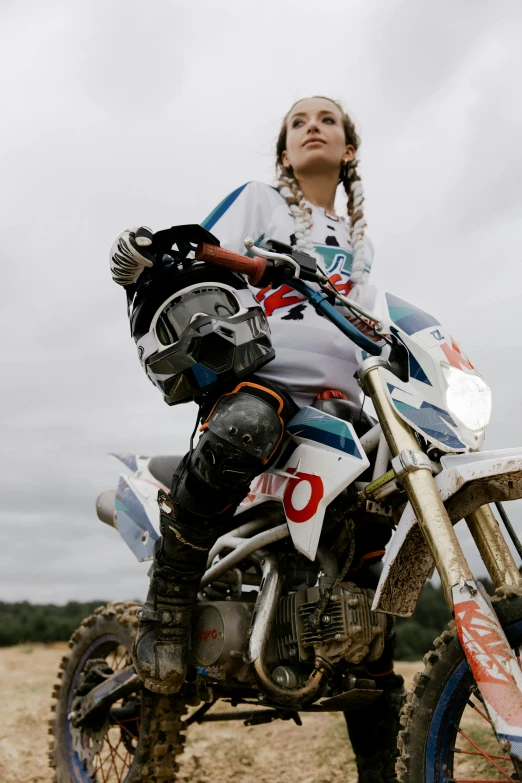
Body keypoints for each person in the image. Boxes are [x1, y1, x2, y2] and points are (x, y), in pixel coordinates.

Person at [110, 96, 405, 781]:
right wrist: (149, 254)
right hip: (260, 377)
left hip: (340, 402)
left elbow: (380, 319)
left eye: (327, 119)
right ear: (284, 150)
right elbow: (193, 252)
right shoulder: (260, 202)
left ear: (349, 149)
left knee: (376, 527)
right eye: (299, 121)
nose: (313, 127)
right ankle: (169, 603)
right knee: (248, 425)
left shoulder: (361, 242)